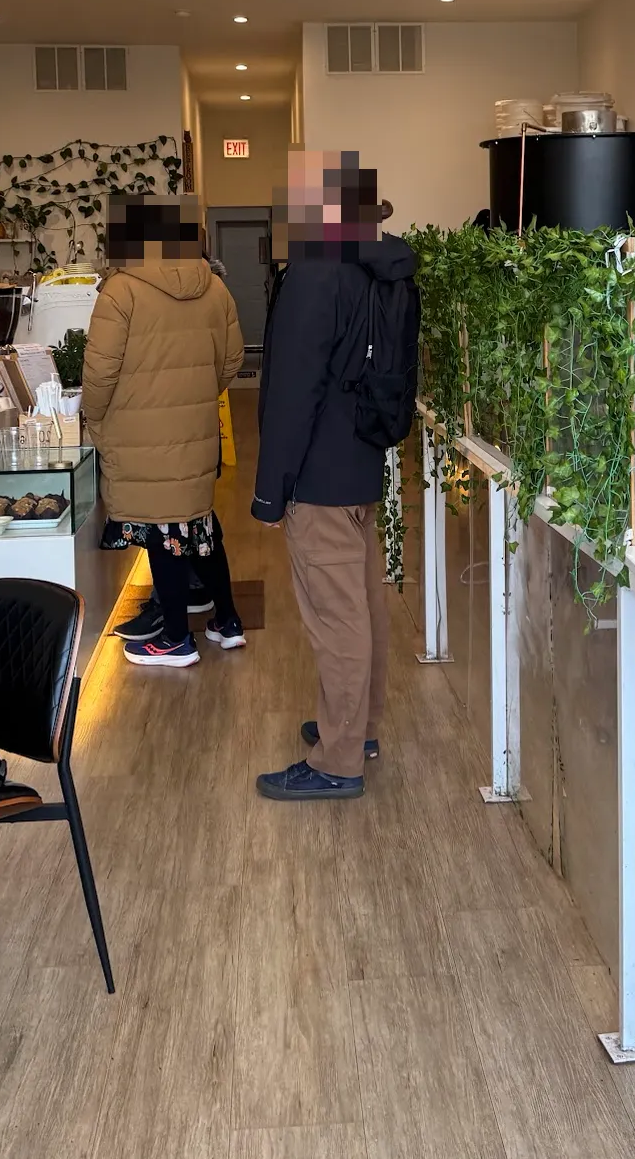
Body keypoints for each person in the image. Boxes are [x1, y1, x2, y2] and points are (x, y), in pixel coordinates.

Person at [251, 151, 417, 801]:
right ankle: (356, 728)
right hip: (361, 459)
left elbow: (293, 393)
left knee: (336, 618)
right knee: (362, 605)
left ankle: (337, 760)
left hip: (317, 475)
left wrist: (270, 491)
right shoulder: (383, 268)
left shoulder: (315, 275)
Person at [82, 196, 246, 667]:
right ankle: (227, 621)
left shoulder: (121, 291)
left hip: (138, 433)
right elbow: (232, 360)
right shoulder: (214, 286)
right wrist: (196, 395)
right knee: (199, 521)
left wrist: (96, 418)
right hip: (195, 430)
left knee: (162, 530)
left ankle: (175, 638)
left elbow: (99, 372)